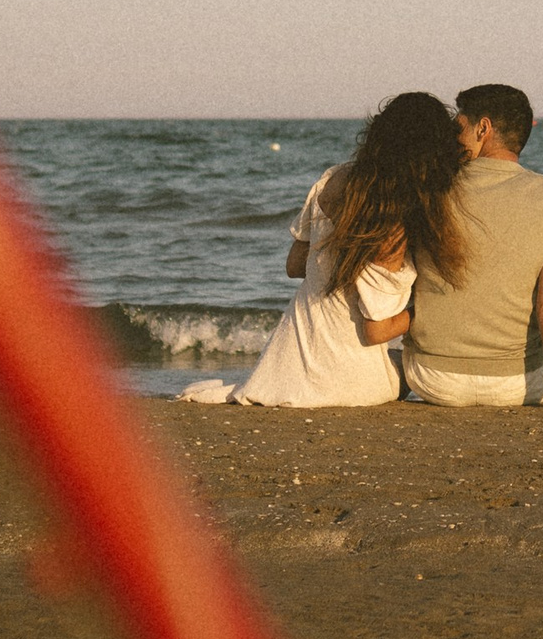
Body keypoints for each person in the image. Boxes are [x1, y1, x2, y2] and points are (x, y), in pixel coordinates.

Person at [185, 91, 465, 406]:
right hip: (353, 382)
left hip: (285, 372)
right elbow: (376, 331)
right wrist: (424, 309)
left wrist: (334, 256)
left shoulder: (332, 180)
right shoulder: (394, 224)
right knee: (408, 366)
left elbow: (294, 266)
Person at [399, 83, 543, 418]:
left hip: (433, 379)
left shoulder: (428, 190)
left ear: (483, 128)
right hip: (517, 385)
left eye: (458, 126)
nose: (452, 136)